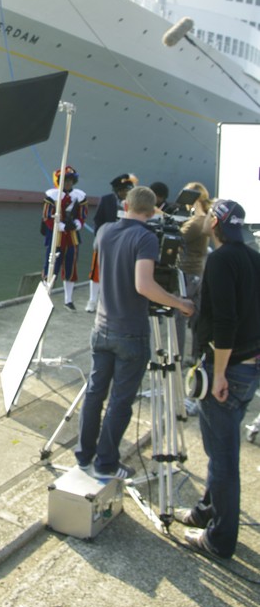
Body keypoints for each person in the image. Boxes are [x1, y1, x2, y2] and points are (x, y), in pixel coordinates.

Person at [75, 185, 195, 480]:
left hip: (101, 327)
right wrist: (180, 303)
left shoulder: (104, 232)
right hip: (131, 332)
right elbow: (144, 285)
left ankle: (84, 455)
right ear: (153, 211)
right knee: (120, 401)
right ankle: (106, 463)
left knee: (94, 394)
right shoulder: (146, 238)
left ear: (125, 205)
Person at [177, 199, 260, 560]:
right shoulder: (254, 257)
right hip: (250, 366)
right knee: (219, 450)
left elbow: (225, 320)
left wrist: (221, 373)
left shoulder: (221, 260)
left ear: (215, 224)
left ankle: (220, 539)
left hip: (228, 368)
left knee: (223, 458)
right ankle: (206, 511)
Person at [86, 172, 138, 313]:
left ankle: (113, 302)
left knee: (120, 272)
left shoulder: (134, 203)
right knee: (96, 272)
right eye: (124, 190)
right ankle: (92, 300)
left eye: (128, 190)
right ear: (117, 190)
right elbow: (98, 220)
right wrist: (99, 237)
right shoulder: (106, 200)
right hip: (106, 240)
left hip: (125, 242)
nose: (126, 193)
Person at [41, 166, 88, 310]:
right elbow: (47, 217)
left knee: (71, 267)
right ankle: (45, 298)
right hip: (56, 236)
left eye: (70, 180)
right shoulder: (52, 196)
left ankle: (68, 300)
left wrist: (77, 224)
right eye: (65, 180)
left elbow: (83, 214)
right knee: (51, 266)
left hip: (72, 237)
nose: (68, 183)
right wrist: (61, 226)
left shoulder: (79, 196)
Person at [175, 182, 212, 363]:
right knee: (196, 317)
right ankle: (196, 356)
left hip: (188, 273)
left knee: (179, 316)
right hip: (197, 272)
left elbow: (178, 238)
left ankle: (178, 356)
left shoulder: (197, 221)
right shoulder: (203, 219)